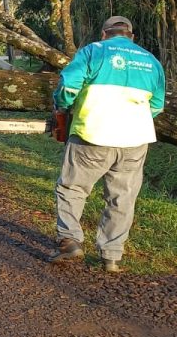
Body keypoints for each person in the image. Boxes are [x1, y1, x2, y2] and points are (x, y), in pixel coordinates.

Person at [48, 16, 166, 273]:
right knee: (122, 198)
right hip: (135, 139)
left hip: (92, 133)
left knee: (72, 188)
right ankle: (111, 256)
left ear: (104, 34)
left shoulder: (93, 51)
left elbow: (68, 86)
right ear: (131, 36)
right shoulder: (150, 60)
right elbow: (156, 105)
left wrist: (64, 106)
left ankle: (70, 240)